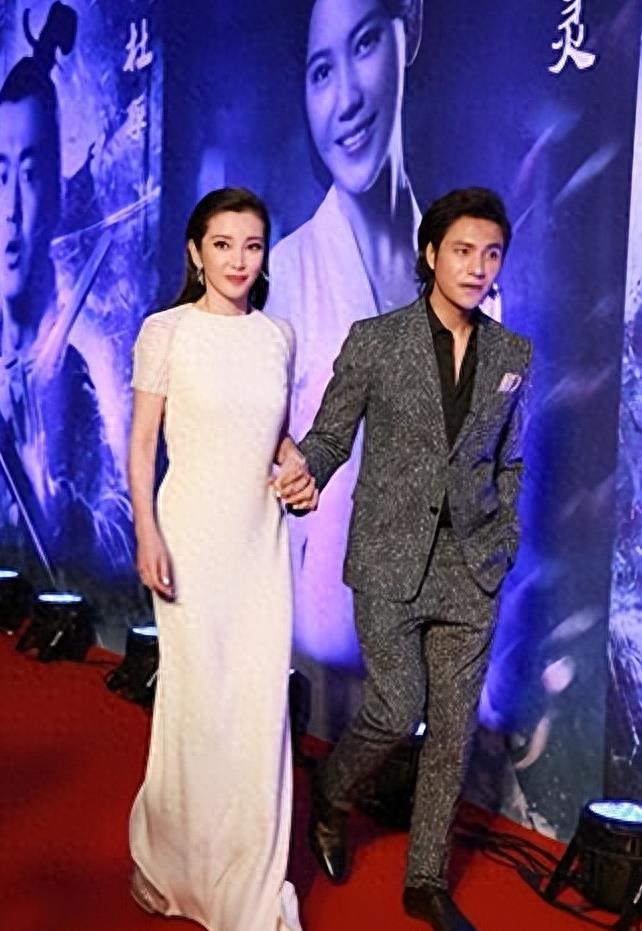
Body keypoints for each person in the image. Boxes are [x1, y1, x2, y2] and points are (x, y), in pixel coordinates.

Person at [279, 188, 532, 931]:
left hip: (472, 565)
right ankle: (331, 793)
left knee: (452, 728)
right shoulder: (376, 340)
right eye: (463, 250)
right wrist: (307, 473)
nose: (477, 267)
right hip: (390, 558)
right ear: (431, 254)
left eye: (491, 254)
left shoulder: (513, 354)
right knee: (396, 705)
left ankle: (425, 879)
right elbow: (331, 434)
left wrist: (503, 539)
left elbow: (511, 460)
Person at [128, 187, 316, 931]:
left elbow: (273, 435)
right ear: (195, 251)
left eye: (253, 245)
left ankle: (252, 890)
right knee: (197, 707)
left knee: (258, 709)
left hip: (259, 544)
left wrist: (296, 465)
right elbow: (142, 445)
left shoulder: (279, 336)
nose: (239, 260)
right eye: (223, 244)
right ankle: (168, 858)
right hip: (188, 539)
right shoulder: (166, 331)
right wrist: (146, 531)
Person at [265, 0, 427, 672]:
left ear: (409, 28)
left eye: (364, 45)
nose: (347, 99)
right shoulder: (285, 274)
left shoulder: (463, 273)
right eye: (320, 72)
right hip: (317, 630)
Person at [0, 1, 131, 588]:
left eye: (30, 175)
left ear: (53, 193)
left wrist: (57, 504)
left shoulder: (72, 374)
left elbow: (117, 534)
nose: (10, 210)